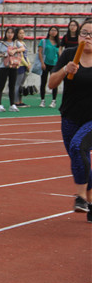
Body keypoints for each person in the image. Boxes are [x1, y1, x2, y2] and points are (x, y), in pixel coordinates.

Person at [48, 19, 92, 222]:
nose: (88, 37)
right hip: (70, 116)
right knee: (78, 158)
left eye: (91, 34)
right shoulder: (68, 55)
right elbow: (51, 84)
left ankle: (81, 197)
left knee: (77, 147)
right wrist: (66, 70)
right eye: (84, 33)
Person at [0, 27, 25, 112]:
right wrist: (3, 55)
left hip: (14, 66)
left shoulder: (16, 42)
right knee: (1, 85)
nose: (10, 34)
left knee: (12, 86)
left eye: (11, 33)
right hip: (4, 67)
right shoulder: (2, 43)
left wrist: (15, 51)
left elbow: (23, 48)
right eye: (8, 32)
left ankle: (12, 104)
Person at [39, 26, 61, 108]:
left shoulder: (58, 43)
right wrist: (42, 63)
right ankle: (42, 100)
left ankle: (53, 101)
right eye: (52, 30)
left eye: (55, 30)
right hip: (45, 64)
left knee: (54, 83)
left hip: (55, 64)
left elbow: (60, 54)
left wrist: (60, 65)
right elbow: (40, 52)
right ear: (49, 31)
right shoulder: (43, 41)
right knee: (43, 82)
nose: (53, 32)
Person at [14, 27, 32, 107]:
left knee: (21, 84)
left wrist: (29, 63)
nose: (22, 35)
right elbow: (20, 57)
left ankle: (20, 100)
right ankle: (16, 101)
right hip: (20, 65)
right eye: (20, 33)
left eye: (23, 33)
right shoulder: (17, 43)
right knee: (17, 84)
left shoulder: (23, 43)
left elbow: (25, 55)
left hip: (25, 65)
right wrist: (26, 64)